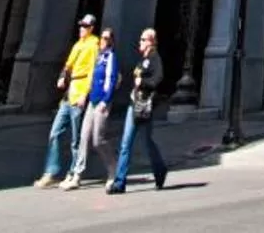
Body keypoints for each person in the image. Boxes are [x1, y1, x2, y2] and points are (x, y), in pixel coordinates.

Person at [36, 13, 100, 186]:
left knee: (76, 139)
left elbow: (93, 71)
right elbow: (68, 64)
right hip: (68, 93)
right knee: (54, 133)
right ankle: (51, 171)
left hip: (79, 92)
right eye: (80, 26)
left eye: (85, 26)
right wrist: (62, 76)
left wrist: (85, 94)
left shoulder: (94, 44)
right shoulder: (78, 44)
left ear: (91, 28)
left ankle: (73, 173)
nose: (81, 29)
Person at [108, 27, 168, 195]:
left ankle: (160, 170)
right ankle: (119, 183)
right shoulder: (142, 60)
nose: (139, 42)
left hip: (145, 106)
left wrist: (143, 83)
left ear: (151, 42)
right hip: (133, 104)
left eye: (143, 39)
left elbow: (157, 79)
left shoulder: (155, 58)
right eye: (140, 39)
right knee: (126, 143)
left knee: (148, 142)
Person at [67, 25, 119, 186]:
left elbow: (111, 79)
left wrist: (106, 100)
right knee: (84, 138)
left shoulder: (111, 57)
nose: (101, 41)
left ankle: (113, 169)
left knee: (98, 140)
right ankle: (77, 174)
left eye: (105, 38)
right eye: (101, 37)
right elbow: (91, 78)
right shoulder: (98, 57)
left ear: (110, 41)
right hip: (92, 101)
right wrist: (86, 95)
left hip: (102, 102)